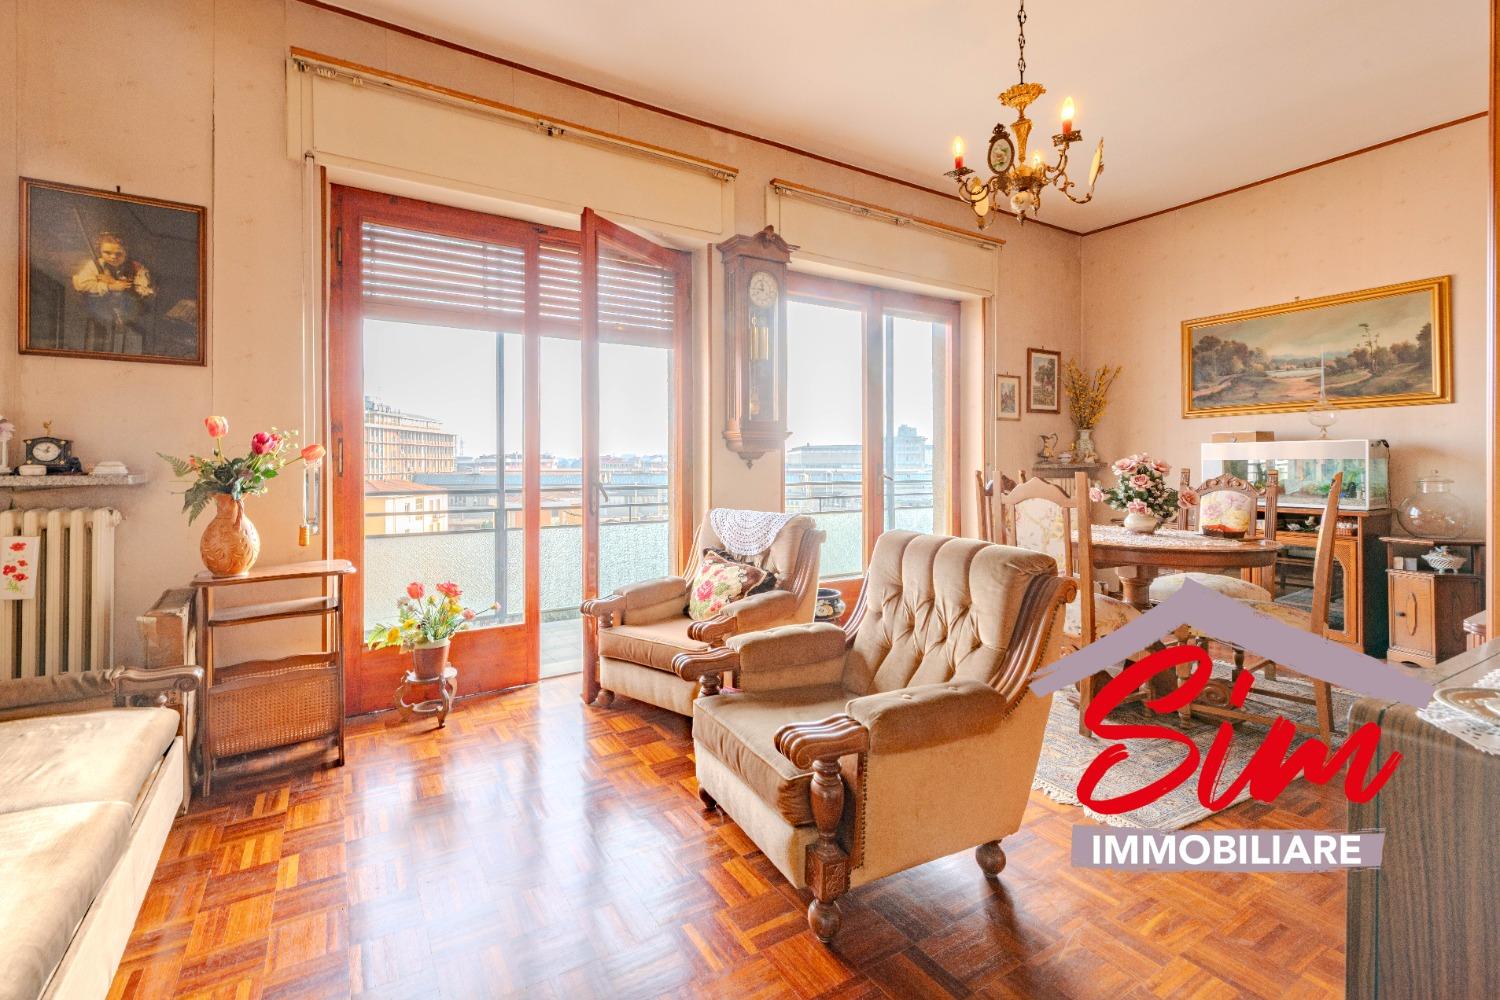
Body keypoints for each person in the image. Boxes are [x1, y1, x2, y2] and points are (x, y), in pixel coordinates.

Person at [70, 231, 154, 353]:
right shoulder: (94, 265)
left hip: (129, 317)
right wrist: (109, 286)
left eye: (118, 253)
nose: (113, 257)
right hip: (101, 315)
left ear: (126, 251)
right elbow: (81, 285)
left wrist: (116, 283)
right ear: (100, 251)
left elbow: (146, 291)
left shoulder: (136, 267)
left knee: (127, 345)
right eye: (107, 253)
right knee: (99, 344)